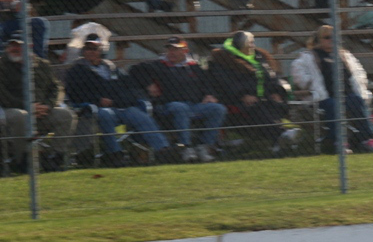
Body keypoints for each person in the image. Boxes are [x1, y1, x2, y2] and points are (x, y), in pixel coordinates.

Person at [64, 34, 175, 167]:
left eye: (94, 49)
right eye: (88, 48)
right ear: (83, 51)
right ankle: (115, 153)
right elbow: (74, 94)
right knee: (106, 114)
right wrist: (98, 100)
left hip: (120, 106)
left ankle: (163, 150)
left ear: (101, 50)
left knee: (138, 114)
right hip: (94, 109)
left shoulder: (112, 68)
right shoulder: (76, 71)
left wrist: (117, 101)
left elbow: (129, 88)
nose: (91, 52)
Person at [290, 25, 373, 154]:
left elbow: (359, 72)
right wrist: (310, 83)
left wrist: (361, 83)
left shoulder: (345, 55)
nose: (331, 40)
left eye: (334, 37)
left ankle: (365, 139)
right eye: (327, 37)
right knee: (333, 105)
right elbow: (298, 74)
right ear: (319, 40)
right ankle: (338, 142)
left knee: (357, 100)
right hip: (323, 96)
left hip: (347, 94)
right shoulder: (309, 56)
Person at [138, 36, 226, 163]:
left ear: (185, 50)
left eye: (176, 49)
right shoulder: (157, 65)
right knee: (180, 107)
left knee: (218, 108)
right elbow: (135, 70)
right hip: (167, 106)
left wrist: (210, 95)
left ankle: (204, 146)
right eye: (169, 49)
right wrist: (148, 84)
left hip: (194, 105)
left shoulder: (194, 67)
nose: (171, 52)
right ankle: (186, 147)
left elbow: (208, 83)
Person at [208, 30, 296, 153]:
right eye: (250, 43)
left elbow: (271, 76)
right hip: (235, 99)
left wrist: (276, 91)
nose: (252, 46)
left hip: (263, 96)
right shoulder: (223, 59)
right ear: (240, 44)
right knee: (257, 107)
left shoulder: (259, 56)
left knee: (275, 104)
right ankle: (282, 135)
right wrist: (242, 95)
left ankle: (281, 138)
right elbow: (226, 83)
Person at [0, 33, 76, 172]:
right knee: (20, 116)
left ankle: (54, 157)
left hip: (41, 111)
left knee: (66, 115)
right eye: (11, 45)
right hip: (10, 111)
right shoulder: (2, 65)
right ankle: (23, 160)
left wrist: (47, 106)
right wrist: (28, 106)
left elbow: (56, 88)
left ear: (29, 46)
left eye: (19, 45)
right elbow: (3, 94)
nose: (14, 48)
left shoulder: (42, 64)